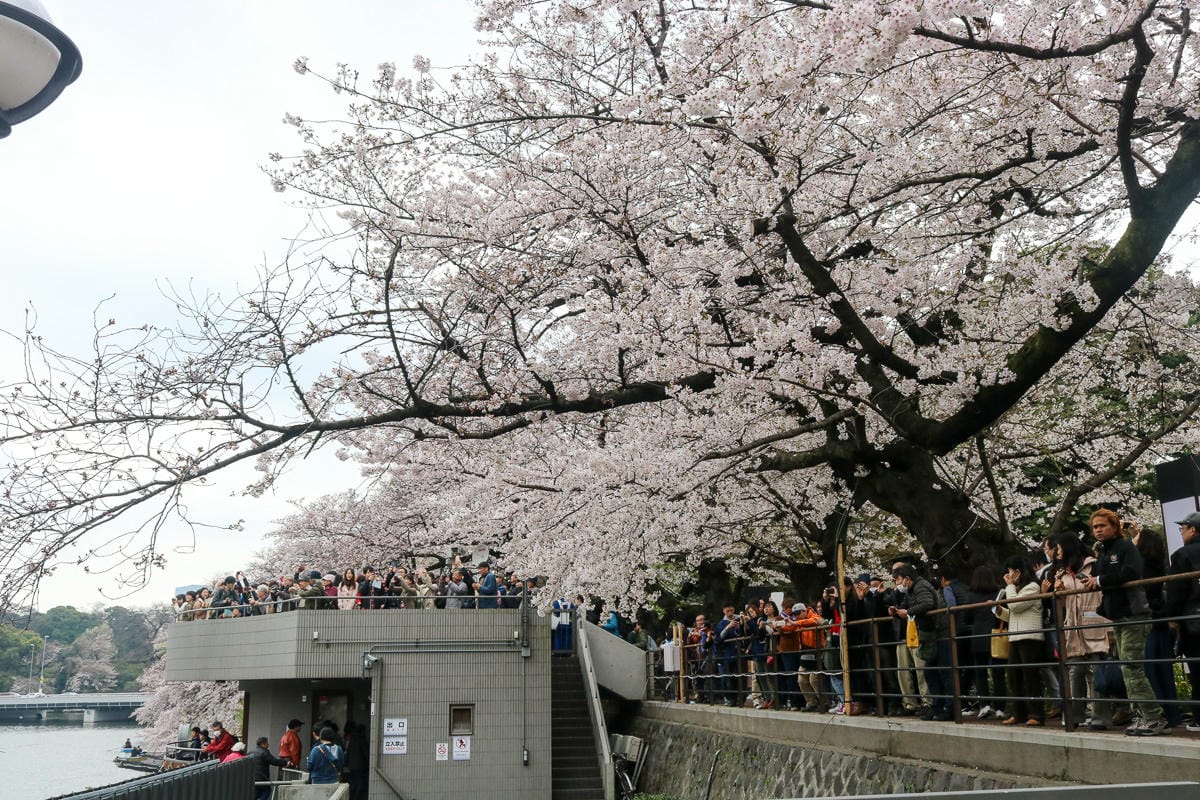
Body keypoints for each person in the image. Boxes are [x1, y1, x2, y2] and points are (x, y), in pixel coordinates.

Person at [1086, 508, 1168, 736]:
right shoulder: (1103, 551)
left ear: (1115, 526)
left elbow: (1130, 572)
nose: (1098, 530)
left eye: (1102, 525)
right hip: (1118, 614)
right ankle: (1141, 715)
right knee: (1127, 667)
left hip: (1134, 614)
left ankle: (1153, 717)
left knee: (1132, 667)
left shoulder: (1125, 548)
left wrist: (1100, 580)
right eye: (1095, 527)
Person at [1050, 533, 1110, 728]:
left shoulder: (1094, 565)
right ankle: (1075, 716)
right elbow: (1062, 603)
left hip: (1094, 620)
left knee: (1098, 671)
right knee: (1075, 671)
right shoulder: (1062, 573)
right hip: (1073, 626)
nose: (1057, 553)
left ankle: (1100, 718)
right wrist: (1057, 592)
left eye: (1059, 549)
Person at [997, 555, 1045, 727]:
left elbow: (1016, 605)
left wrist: (1009, 586)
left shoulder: (1032, 587)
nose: (1009, 575)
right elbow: (1013, 613)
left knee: (1030, 677)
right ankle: (1018, 713)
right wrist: (998, 610)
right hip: (1016, 635)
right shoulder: (1018, 589)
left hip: (1030, 635)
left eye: (1011, 571)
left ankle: (1036, 714)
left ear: (1019, 571)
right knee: (1014, 676)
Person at [1167, 511, 1200, 730]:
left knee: (1197, 669)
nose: (1181, 531)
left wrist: (1173, 618)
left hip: (1193, 621)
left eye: (1183, 528)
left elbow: (1176, 592)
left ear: (1193, 529)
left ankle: (1199, 718)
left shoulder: (1182, 555)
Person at [343, 722, 370, 800]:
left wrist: (346, 763)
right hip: (360, 766)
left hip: (351, 766)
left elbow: (348, 752)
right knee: (360, 783)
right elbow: (366, 753)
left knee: (354, 783)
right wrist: (369, 762)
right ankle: (356, 797)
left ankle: (352, 797)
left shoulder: (352, 739)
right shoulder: (362, 740)